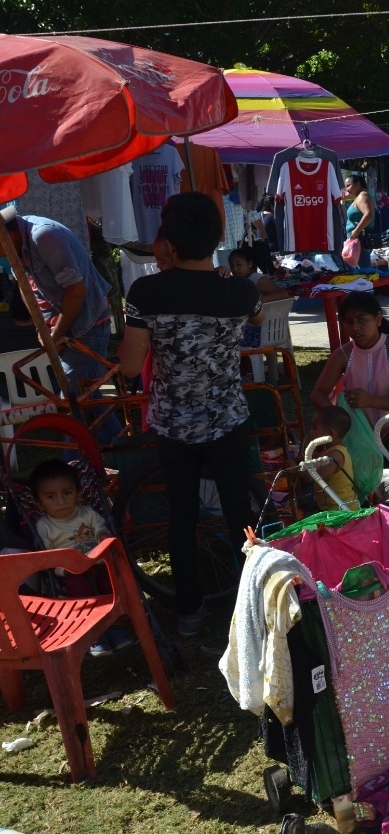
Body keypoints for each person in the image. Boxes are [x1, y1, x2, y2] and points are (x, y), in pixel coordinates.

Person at [118, 192, 264, 637]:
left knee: (182, 516)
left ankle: (189, 612)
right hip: (227, 419)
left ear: (169, 244)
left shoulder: (145, 291)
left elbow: (128, 366)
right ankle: (253, 612)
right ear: (219, 238)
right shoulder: (240, 290)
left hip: (174, 424)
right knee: (240, 513)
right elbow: (257, 318)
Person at [1, 206, 117, 435]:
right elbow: (27, 287)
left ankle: (72, 467)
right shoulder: (16, 247)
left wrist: (57, 332)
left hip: (85, 328)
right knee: (88, 402)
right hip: (65, 329)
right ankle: (125, 458)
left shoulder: (44, 236)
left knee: (73, 404)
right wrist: (42, 326)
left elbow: (75, 290)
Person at [309, 292, 389, 499]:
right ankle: (356, 510)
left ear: (378, 319)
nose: (355, 328)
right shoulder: (343, 354)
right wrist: (337, 418)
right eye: (349, 322)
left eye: (362, 320)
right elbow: (317, 393)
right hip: (358, 431)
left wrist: (370, 400)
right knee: (334, 457)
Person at [29, 459, 135, 655]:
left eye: (67, 493)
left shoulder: (87, 513)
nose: (61, 501)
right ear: (39, 502)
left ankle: (114, 625)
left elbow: (101, 529)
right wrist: (65, 568)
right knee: (81, 592)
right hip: (70, 572)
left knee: (110, 585)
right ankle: (94, 632)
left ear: (78, 493)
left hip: (99, 563)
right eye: (51, 497)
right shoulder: (44, 526)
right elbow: (48, 556)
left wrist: (104, 537)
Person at [309, 405, 358, 511]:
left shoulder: (335, 455)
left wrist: (296, 470)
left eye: (314, 428)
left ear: (330, 433)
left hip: (342, 511)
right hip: (335, 508)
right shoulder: (330, 450)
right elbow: (316, 461)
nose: (310, 433)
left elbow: (316, 476)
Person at [344, 173, 377, 268]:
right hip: (358, 240)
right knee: (361, 270)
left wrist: (355, 232)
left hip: (360, 240)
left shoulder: (363, 196)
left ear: (357, 184)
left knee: (363, 272)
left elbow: (368, 214)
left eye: (348, 185)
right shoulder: (361, 196)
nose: (347, 189)